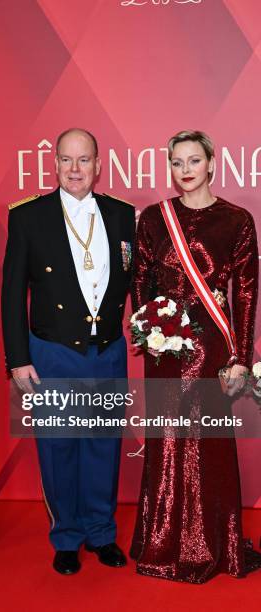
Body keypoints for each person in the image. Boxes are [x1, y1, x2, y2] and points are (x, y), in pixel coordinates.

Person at [2, 128, 135, 574]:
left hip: (108, 350)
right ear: (54, 164)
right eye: (66, 160)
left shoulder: (122, 215)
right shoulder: (28, 217)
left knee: (102, 446)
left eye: (84, 160)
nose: (74, 169)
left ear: (99, 165)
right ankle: (66, 536)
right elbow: (12, 291)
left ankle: (101, 532)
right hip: (53, 351)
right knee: (59, 448)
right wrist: (18, 357)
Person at [130, 130, 261, 583]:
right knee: (167, 443)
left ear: (210, 163)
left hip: (211, 351)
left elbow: (244, 294)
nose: (185, 171)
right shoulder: (152, 218)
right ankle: (163, 538)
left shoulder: (237, 220)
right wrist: (148, 330)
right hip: (164, 350)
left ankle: (212, 542)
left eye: (193, 161)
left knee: (208, 447)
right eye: (177, 163)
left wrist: (241, 357)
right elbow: (140, 286)